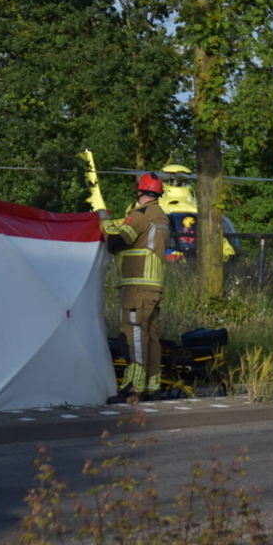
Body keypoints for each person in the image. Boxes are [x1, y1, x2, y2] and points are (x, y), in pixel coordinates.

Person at [99, 172, 170, 403]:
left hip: (137, 286)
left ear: (139, 192)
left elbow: (117, 241)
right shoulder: (161, 216)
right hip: (153, 286)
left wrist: (104, 221)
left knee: (133, 336)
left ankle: (133, 388)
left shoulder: (140, 215)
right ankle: (152, 387)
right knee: (149, 336)